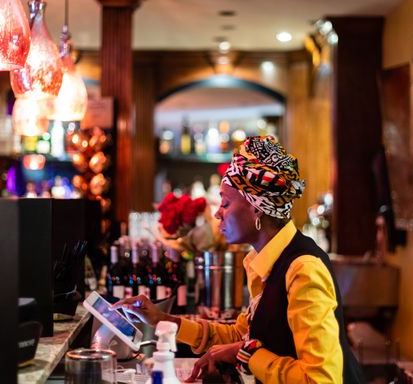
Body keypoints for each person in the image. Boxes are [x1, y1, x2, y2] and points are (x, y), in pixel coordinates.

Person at [114, 136, 365, 383]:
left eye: (225, 203)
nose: (217, 213)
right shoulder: (266, 260)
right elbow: (240, 334)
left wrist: (245, 354)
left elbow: (321, 379)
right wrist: (162, 320)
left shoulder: (303, 270)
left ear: (256, 207)